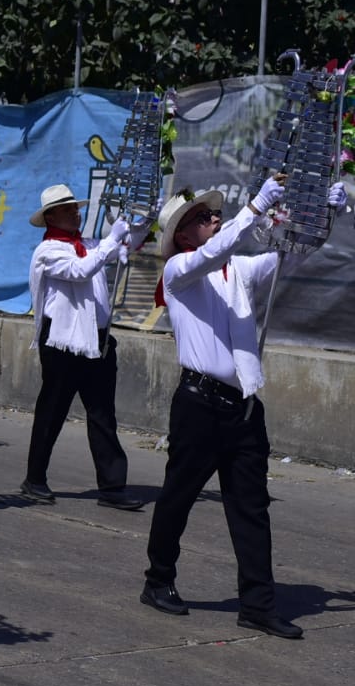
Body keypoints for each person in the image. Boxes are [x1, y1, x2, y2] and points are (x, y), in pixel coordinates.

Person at [140, 178, 347, 640]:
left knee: (251, 508)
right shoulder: (179, 271)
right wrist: (254, 207)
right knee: (178, 496)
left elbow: (292, 255)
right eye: (203, 217)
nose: (214, 219)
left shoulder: (238, 270)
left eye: (216, 216)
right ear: (183, 235)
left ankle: (257, 603)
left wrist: (324, 218)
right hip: (197, 404)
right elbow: (219, 249)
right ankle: (158, 579)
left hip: (242, 407)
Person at [19, 184, 142, 510]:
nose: (77, 212)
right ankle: (34, 478)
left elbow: (123, 247)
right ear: (51, 216)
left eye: (76, 207)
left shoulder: (86, 244)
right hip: (62, 343)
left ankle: (113, 486)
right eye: (68, 208)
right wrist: (112, 242)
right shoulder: (48, 251)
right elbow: (80, 270)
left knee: (102, 414)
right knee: (52, 412)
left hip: (96, 340)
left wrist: (139, 223)